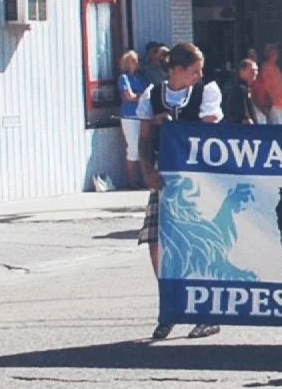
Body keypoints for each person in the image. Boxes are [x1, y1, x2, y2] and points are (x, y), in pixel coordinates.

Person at [135, 41, 224, 341]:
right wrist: (147, 170)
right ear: (177, 70)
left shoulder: (205, 93)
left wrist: (179, 126)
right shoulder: (153, 95)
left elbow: (210, 128)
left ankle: (205, 313)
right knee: (156, 242)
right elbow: (145, 138)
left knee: (197, 244)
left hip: (197, 180)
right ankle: (171, 304)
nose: (199, 76)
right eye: (194, 71)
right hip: (165, 178)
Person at [117, 50, 148, 189]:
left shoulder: (140, 78)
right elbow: (128, 96)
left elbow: (146, 93)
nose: (136, 62)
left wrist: (139, 95)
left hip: (141, 115)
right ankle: (132, 180)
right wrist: (139, 96)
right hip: (129, 116)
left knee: (142, 148)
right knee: (133, 148)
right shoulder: (124, 78)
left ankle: (141, 179)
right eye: (133, 60)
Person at [253, 43, 282, 124]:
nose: (277, 53)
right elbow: (264, 87)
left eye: (277, 50)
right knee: (278, 133)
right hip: (275, 106)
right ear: (268, 53)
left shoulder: (276, 67)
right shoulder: (265, 67)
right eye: (274, 50)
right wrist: (268, 104)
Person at [224, 59, 259, 124]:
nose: (255, 73)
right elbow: (244, 118)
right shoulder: (239, 90)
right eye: (252, 70)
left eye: (257, 71)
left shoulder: (247, 89)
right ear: (242, 71)